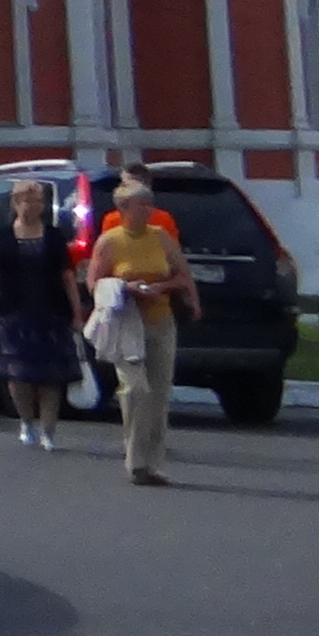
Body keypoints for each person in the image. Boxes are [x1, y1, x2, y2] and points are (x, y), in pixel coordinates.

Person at [85, 170, 200, 485]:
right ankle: (135, 460)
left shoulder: (160, 236)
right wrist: (126, 287)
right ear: (123, 209)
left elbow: (182, 273)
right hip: (126, 321)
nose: (147, 210)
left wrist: (170, 290)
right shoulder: (110, 241)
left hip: (161, 319)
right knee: (137, 389)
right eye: (140, 205)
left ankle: (153, 464)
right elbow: (93, 283)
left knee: (160, 392)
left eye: (149, 205)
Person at [0, 175, 85, 449]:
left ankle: (49, 430)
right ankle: (26, 421)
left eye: (39, 201)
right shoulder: (3, 236)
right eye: (29, 200)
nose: (35, 206)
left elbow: (67, 276)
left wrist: (77, 314)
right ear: (16, 203)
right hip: (14, 314)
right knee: (18, 375)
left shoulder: (53, 236)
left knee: (51, 377)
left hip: (52, 313)